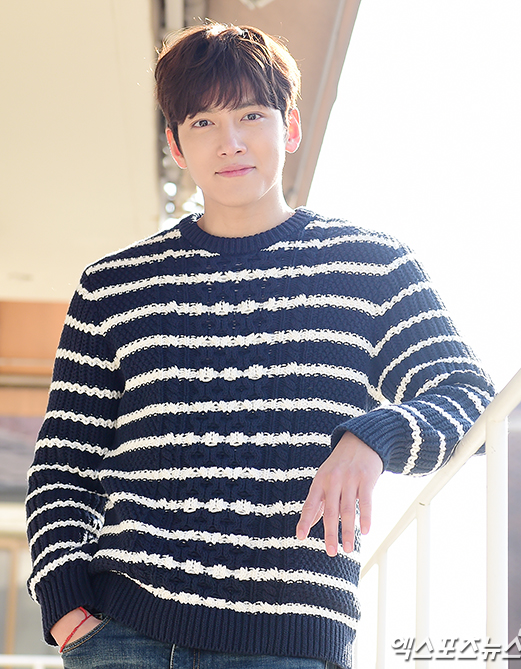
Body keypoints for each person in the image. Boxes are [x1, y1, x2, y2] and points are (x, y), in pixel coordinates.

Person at [26, 23, 494, 669]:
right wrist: (65, 607)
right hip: (124, 634)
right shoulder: (114, 284)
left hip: (291, 643)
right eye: (203, 122)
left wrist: (373, 438)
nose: (232, 142)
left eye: (251, 114)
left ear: (290, 127)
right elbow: (64, 465)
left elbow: (471, 398)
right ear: (176, 144)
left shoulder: (371, 267)